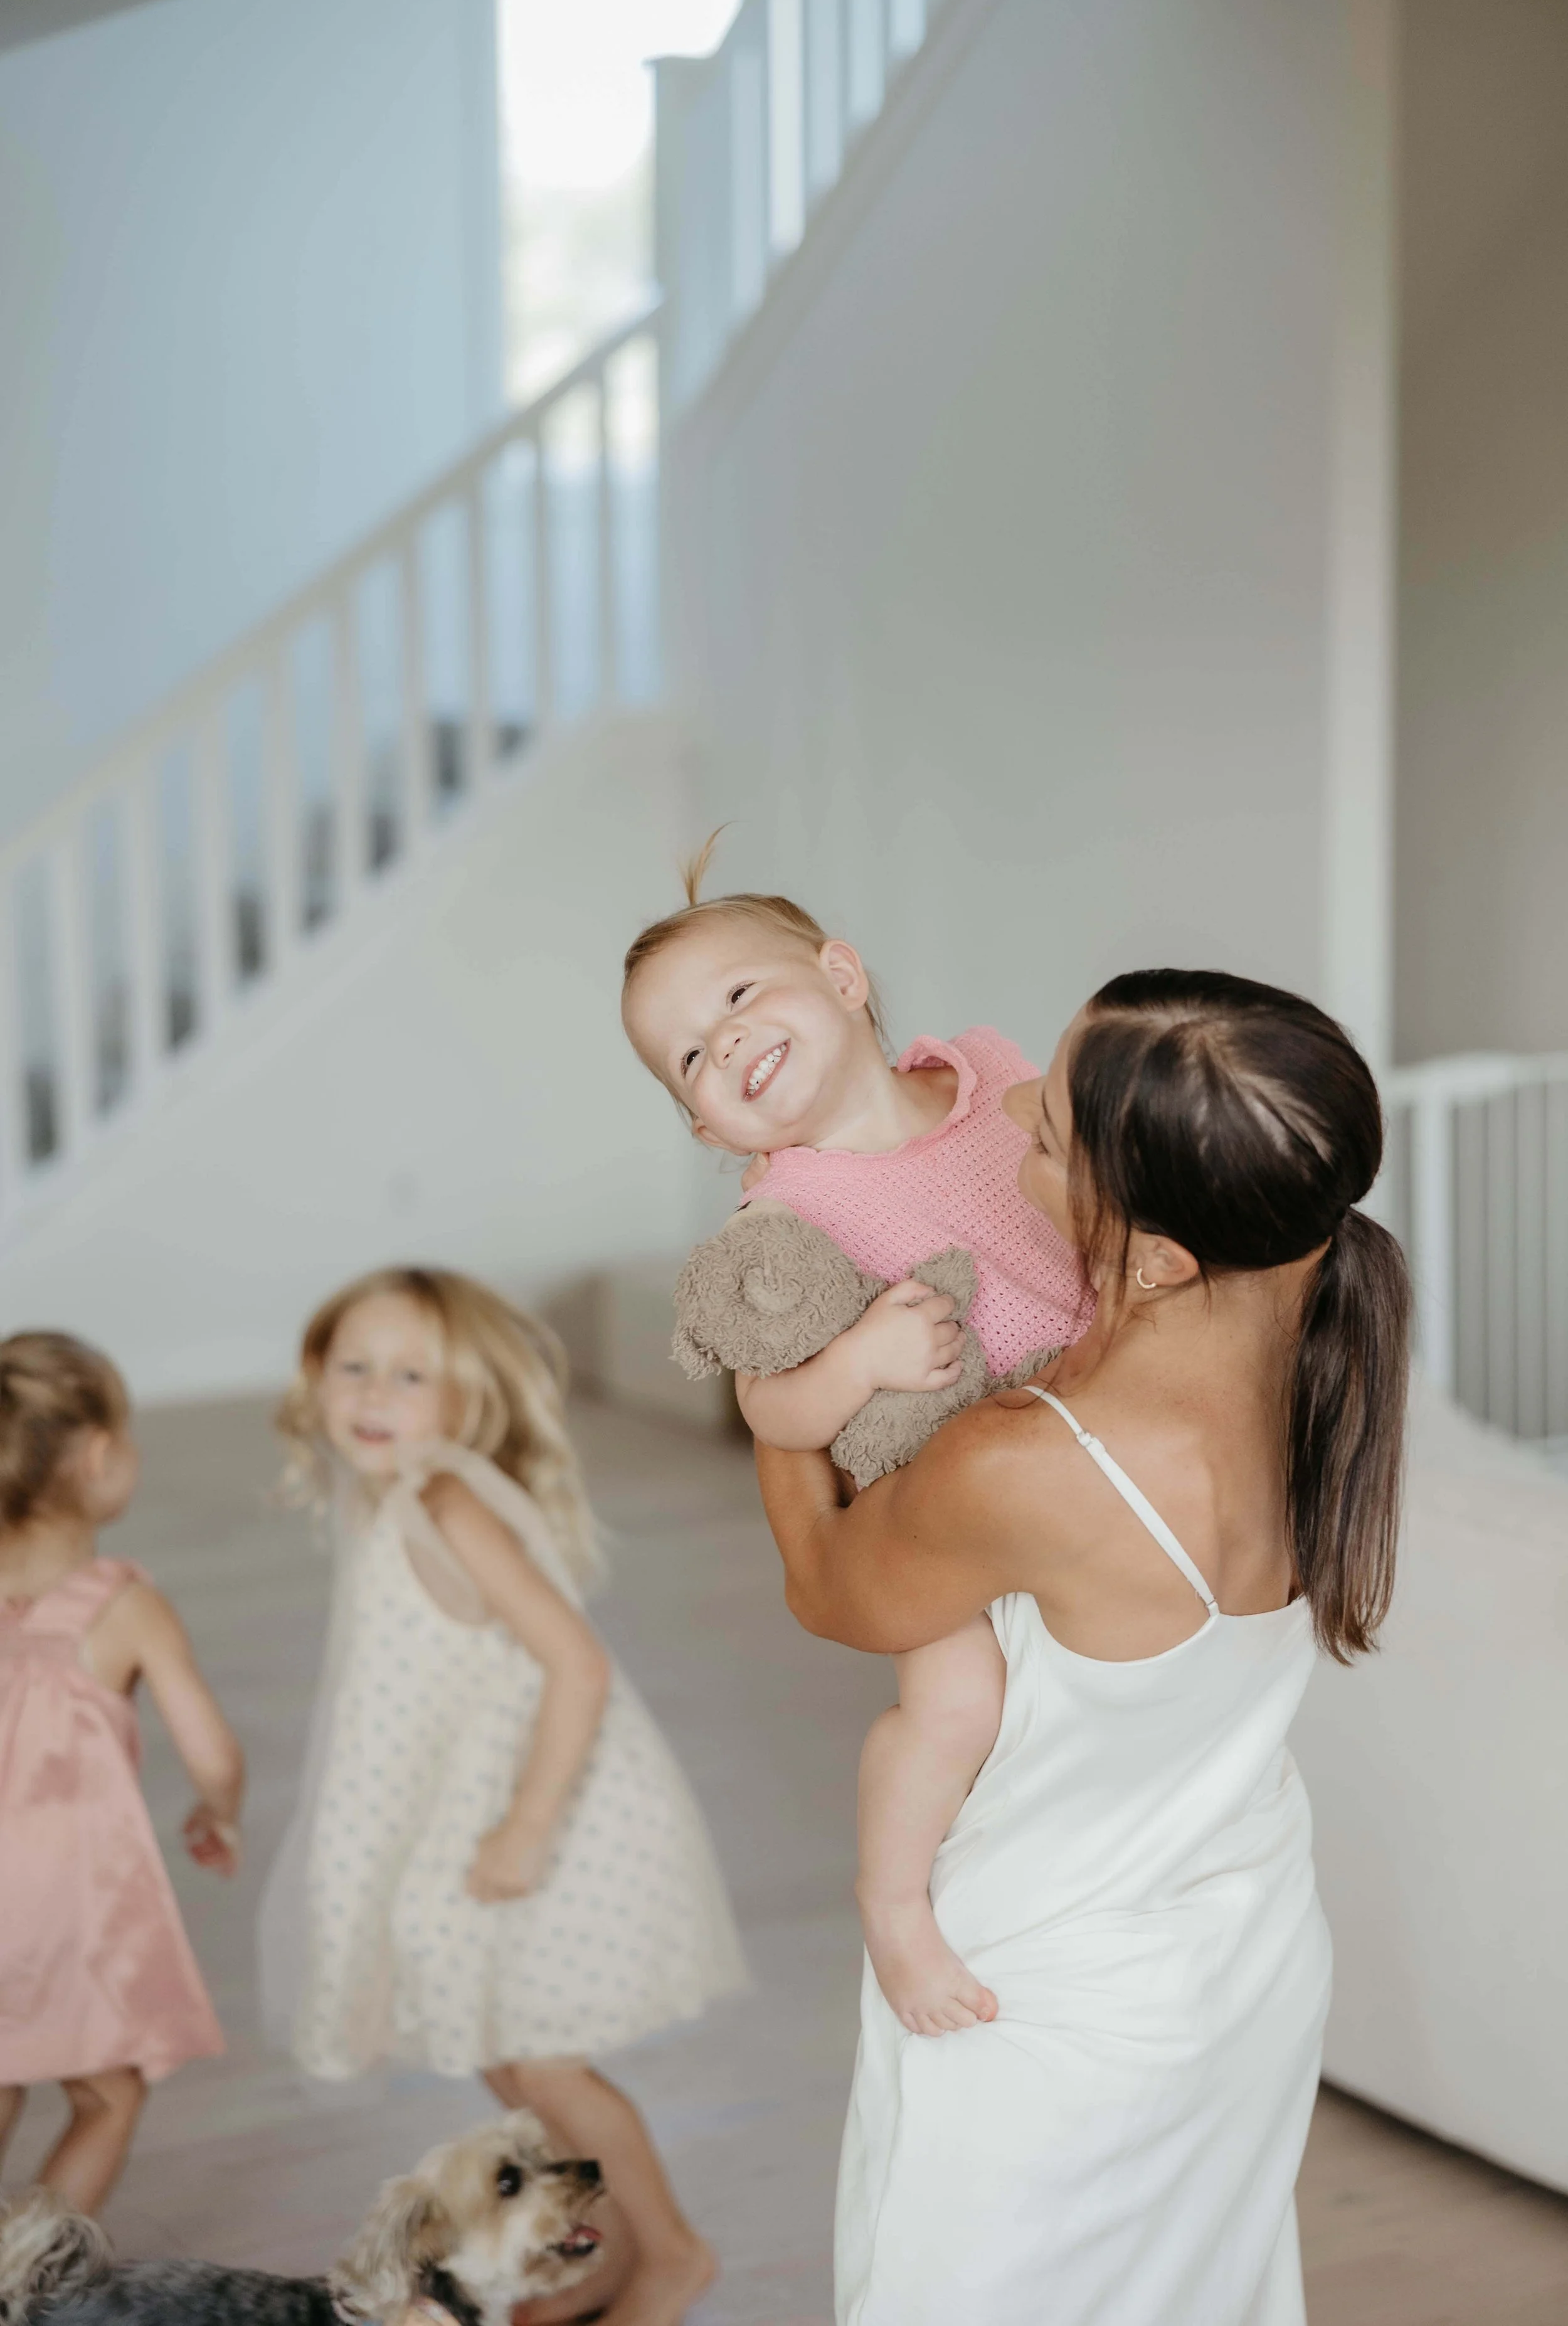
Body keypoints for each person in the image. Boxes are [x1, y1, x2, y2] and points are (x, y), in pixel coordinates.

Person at [755, 970, 1411, 2326]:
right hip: (1241, 1963)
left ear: (1164, 1255)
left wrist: (774, 1370)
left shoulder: (1028, 1464)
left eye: (1043, 1132)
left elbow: (827, 1585)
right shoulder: (1318, 1364)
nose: (1001, 1123)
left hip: (1035, 2008)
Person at [622, 852, 1089, 2037]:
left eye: (734, 999)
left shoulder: (990, 1073)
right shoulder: (786, 1209)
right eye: (689, 1055)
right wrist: (861, 1362)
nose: (721, 1045)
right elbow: (769, 1412)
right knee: (956, 1702)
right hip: (941, 1486)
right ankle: (892, 1906)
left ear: (840, 975)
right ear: (702, 1123)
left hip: (1090, 1421)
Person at [260, 1269, 745, 2326]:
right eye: (355, 1367)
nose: (374, 1393)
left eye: (410, 1373)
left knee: (542, 2060)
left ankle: (670, 2254)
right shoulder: (395, 1495)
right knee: (494, 2043)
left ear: (467, 1398)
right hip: (461, 1808)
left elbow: (578, 1664)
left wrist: (525, 1825)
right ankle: (595, 2252)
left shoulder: (447, 1495)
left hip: (536, 1813)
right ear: (316, 1376)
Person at [0, 1332, 241, 2213]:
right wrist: (220, 1812)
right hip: (65, 1904)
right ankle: (22, 2281)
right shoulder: (125, 1606)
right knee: (107, 2094)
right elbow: (213, 1751)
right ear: (100, 1456)